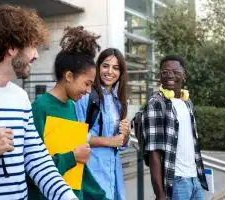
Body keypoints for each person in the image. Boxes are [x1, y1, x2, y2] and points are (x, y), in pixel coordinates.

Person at [0, 5, 77, 200]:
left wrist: (68, 197)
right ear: (12, 47)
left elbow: (37, 160)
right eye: (33, 46)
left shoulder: (20, 97)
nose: (36, 55)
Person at [28, 26, 107, 200]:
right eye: (86, 83)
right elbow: (33, 168)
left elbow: (79, 170)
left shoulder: (71, 107)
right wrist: (72, 157)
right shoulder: (39, 107)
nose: (88, 91)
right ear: (69, 76)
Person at [143, 55, 208, 200]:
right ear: (160, 76)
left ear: (183, 75)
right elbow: (154, 152)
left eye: (175, 72)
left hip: (194, 178)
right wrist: (159, 194)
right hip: (176, 182)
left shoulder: (187, 102)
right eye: (165, 72)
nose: (170, 76)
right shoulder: (156, 103)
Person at [76, 48, 130, 200]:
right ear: (98, 67)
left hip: (113, 176)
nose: (110, 71)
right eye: (106, 66)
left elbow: (121, 143)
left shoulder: (118, 101)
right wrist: (110, 141)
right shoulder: (85, 96)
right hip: (91, 175)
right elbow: (76, 137)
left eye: (116, 68)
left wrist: (125, 135)